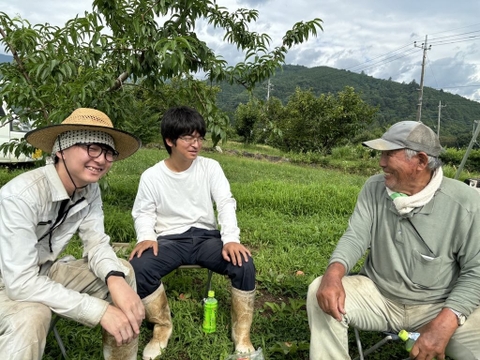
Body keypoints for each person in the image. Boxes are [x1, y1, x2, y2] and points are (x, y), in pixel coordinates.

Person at [306, 121, 480, 360]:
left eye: (389, 154)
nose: (381, 163)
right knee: (321, 291)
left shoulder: (467, 203)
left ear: (420, 161)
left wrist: (446, 322)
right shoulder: (374, 188)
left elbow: (476, 272)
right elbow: (356, 236)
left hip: (439, 305)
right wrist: (333, 274)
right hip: (379, 296)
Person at [0, 108, 145, 360]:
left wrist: (114, 277)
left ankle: (122, 355)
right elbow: (20, 283)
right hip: (9, 283)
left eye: (108, 151)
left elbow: (96, 242)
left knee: (123, 272)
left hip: (43, 271)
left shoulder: (89, 190)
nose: (101, 159)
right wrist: (99, 311)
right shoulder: (21, 197)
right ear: (61, 150)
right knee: (34, 315)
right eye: (91, 147)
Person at [129, 105, 256, 360]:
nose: (195, 144)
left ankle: (242, 334)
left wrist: (230, 239)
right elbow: (143, 213)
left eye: (199, 137)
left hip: (206, 238)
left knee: (244, 264)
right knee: (138, 267)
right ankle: (161, 326)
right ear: (169, 140)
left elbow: (225, 202)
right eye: (188, 137)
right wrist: (146, 236)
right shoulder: (152, 176)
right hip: (169, 240)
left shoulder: (210, 168)